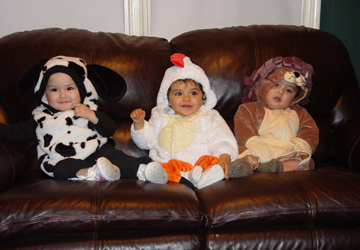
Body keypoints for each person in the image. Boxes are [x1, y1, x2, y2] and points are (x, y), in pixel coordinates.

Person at [0, 55, 166, 183]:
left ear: (82, 90)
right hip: (64, 159)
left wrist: (91, 116)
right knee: (61, 170)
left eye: (70, 88)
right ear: (44, 93)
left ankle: (144, 170)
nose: (63, 94)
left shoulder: (87, 110)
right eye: (54, 89)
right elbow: (16, 132)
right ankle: (93, 174)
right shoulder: (40, 118)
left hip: (97, 151)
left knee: (117, 157)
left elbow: (109, 129)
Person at [130, 53, 238, 189]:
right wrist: (139, 124)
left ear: (203, 97)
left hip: (200, 166)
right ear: (168, 100)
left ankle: (203, 176)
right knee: (152, 168)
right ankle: (188, 178)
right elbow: (146, 141)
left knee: (212, 163)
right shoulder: (160, 118)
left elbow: (223, 139)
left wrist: (224, 158)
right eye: (178, 94)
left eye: (193, 93)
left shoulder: (209, 117)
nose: (186, 98)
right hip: (169, 168)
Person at [228, 56, 319, 178]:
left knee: (307, 162)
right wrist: (256, 145)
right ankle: (244, 165)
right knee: (243, 152)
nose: (280, 92)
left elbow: (309, 132)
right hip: (258, 150)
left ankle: (278, 167)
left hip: (287, 154)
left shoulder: (300, 113)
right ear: (264, 85)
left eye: (288, 90)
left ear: (295, 97)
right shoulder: (250, 109)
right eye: (276, 85)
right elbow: (244, 129)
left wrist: (301, 146)